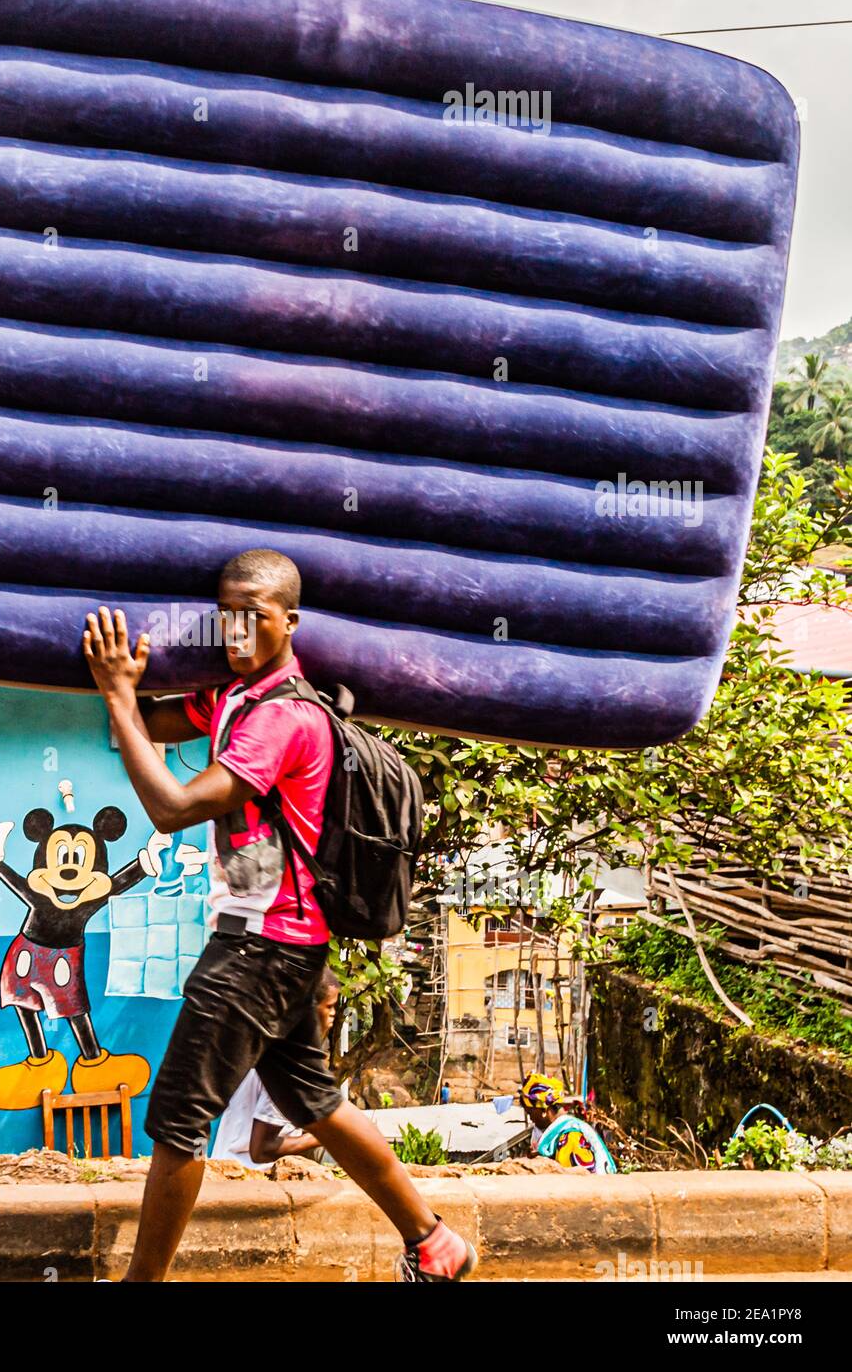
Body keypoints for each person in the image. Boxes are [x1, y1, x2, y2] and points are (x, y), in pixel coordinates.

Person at [82, 547, 478, 1282]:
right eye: (225, 617)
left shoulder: (285, 719)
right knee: (314, 1100)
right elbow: (149, 725)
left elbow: (171, 808)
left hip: (257, 949)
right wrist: (124, 689)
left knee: (176, 1119)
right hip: (287, 945)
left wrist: (115, 695)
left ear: (288, 622)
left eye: (253, 618)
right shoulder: (235, 700)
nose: (236, 633)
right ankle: (434, 1242)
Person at [212, 965, 340, 1169]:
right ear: (307, 1010)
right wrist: (330, 1136)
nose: (334, 1014)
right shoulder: (289, 1066)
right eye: (329, 1006)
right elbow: (262, 1149)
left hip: (230, 1168)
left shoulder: (262, 1046)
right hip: (251, 1181)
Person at [519, 1073, 617, 1174]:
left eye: (530, 1112)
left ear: (544, 1110)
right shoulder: (557, 1134)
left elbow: (570, 1180)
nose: (531, 1118)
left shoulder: (571, 1137)